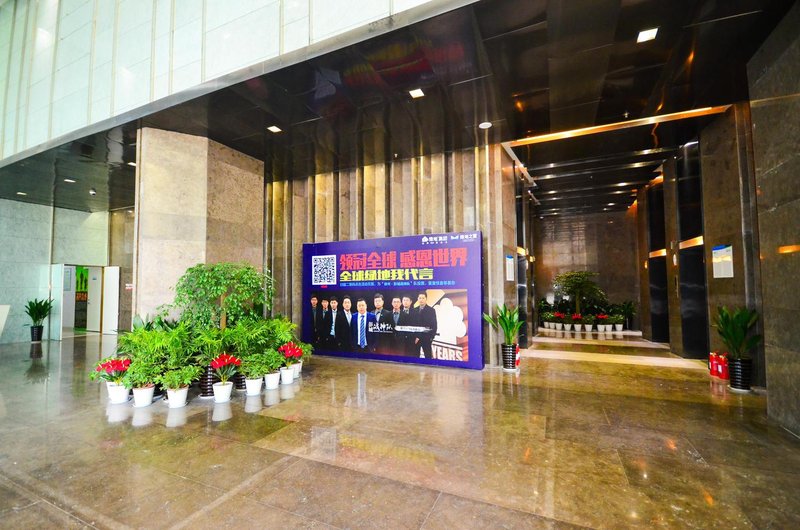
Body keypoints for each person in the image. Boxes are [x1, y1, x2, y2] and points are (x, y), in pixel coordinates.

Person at [413, 291, 438, 359]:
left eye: (423, 298)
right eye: (420, 298)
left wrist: (431, 337)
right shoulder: (414, 310)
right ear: (417, 299)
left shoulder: (431, 310)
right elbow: (412, 324)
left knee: (428, 357)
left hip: (426, 338)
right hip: (416, 339)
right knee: (415, 357)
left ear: (426, 299)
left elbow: (434, 325)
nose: (421, 300)